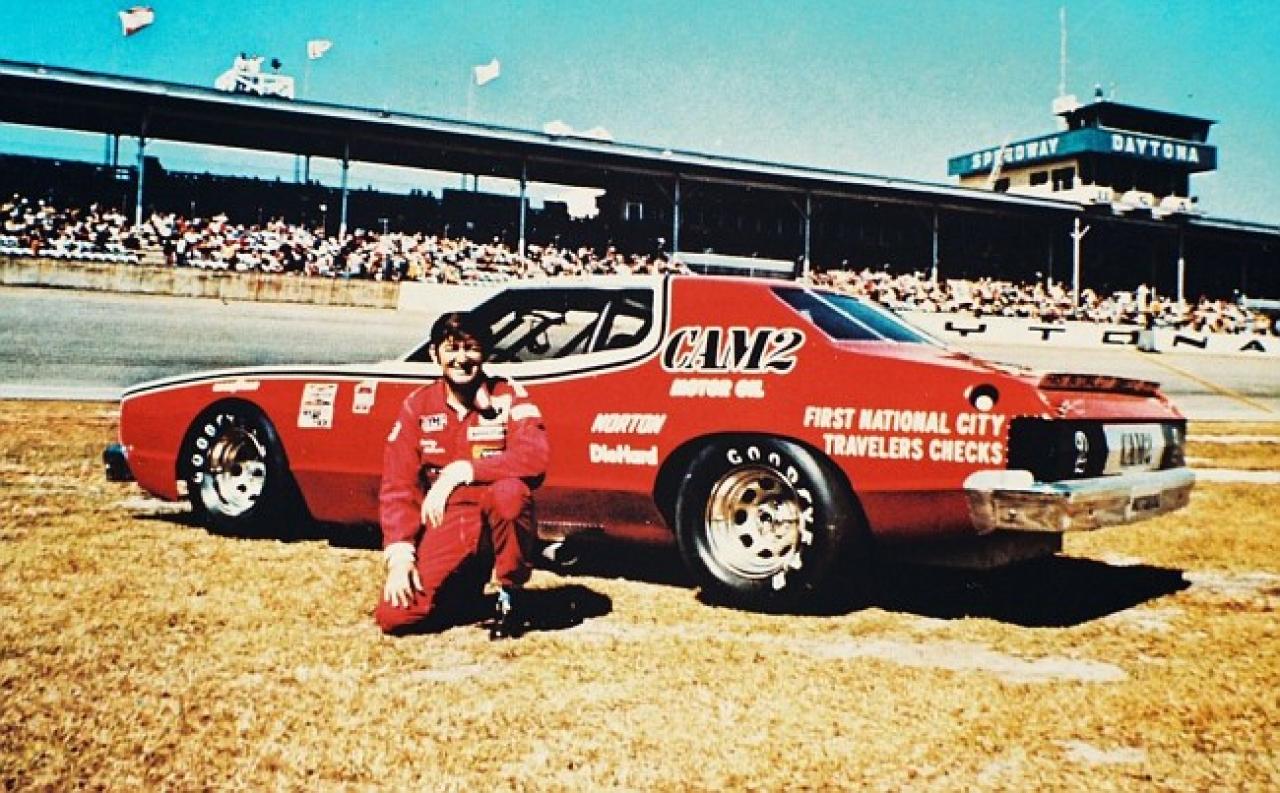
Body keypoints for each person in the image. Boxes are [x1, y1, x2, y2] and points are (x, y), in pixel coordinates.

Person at [375, 311, 549, 639]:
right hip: (450, 518)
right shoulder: (418, 405)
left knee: (510, 493)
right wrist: (400, 557)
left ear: (486, 353)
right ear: (434, 354)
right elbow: (398, 486)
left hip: (496, 509)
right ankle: (464, 587)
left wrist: (463, 470)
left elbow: (535, 457)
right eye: (452, 348)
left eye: (471, 348)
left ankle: (510, 596)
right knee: (395, 616)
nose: (462, 358)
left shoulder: (508, 395)